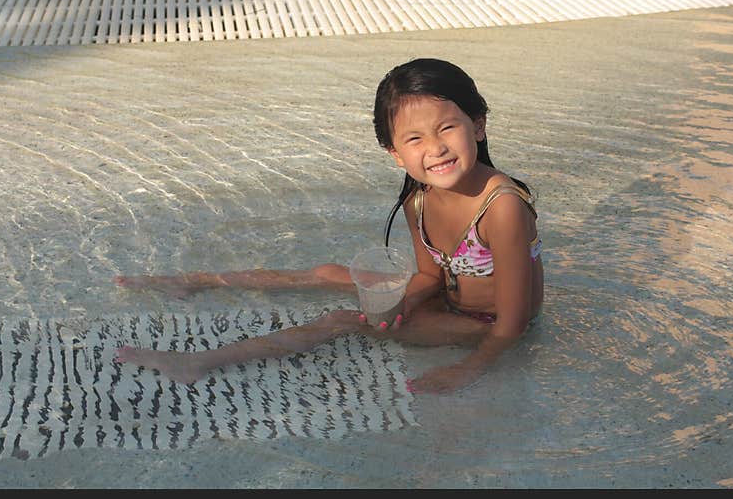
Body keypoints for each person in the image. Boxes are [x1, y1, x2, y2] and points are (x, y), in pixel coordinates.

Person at [114, 58, 543, 394]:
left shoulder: (501, 207)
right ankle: (199, 281)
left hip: (488, 324)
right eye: (415, 139)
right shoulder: (417, 200)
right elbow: (431, 277)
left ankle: (197, 363)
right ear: (394, 152)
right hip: (449, 299)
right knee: (328, 274)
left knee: (343, 318)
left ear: (479, 124)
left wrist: (467, 368)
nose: (435, 149)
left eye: (447, 128)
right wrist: (401, 303)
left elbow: (514, 323)